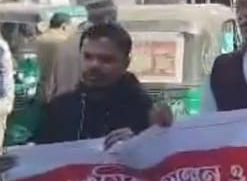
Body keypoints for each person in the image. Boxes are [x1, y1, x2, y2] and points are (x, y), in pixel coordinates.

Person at [33, 23, 169, 149]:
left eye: (106, 60)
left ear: (125, 63)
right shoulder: (59, 108)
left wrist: (139, 142)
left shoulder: (144, 110)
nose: (94, 65)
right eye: (88, 57)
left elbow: (159, 157)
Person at [47, 0, 118, 100]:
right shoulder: (104, 45)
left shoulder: (66, 42)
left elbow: (52, 86)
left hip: (62, 105)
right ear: (108, 19)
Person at [36, 12, 72, 101]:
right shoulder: (65, 42)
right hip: (59, 90)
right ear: (64, 26)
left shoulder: (39, 39)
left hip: (41, 88)